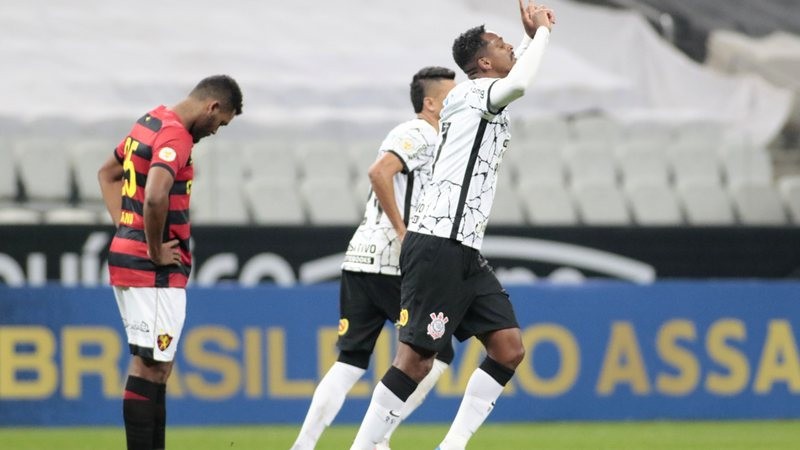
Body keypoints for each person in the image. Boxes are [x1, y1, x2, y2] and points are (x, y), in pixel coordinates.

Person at [349, 2, 555, 449]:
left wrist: (525, 39)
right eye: (500, 44)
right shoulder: (475, 93)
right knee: (416, 361)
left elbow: (512, 73)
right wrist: (541, 34)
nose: (509, 48)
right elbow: (519, 82)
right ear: (483, 63)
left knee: (508, 347)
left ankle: (452, 445)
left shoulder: (475, 94)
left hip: (461, 247)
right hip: (437, 243)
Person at [290, 66, 457, 450]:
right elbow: (379, 172)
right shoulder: (420, 132)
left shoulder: (429, 136)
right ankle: (377, 439)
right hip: (394, 261)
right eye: (451, 97)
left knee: (350, 360)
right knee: (437, 352)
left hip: (360, 258)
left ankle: (303, 445)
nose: (458, 102)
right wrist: (403, 231)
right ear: (430, 104)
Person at [97, 75, 243, 450]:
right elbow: (155, 195)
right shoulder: (176, 135)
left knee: (157, 365)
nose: (215, 131)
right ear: (212, 107)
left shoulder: (150, 121)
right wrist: (153, 247)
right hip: (153, 270)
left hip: (129, 258)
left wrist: (127, 228)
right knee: (150, 366)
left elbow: (108, 174)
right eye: (220, 123)